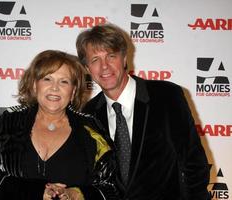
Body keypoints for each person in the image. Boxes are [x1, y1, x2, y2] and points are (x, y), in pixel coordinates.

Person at [76, 23, 210, 199]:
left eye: (111, 56)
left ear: (124, 58)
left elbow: (194, 164)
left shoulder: (166, 96)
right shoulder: (89, 113)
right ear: (87, 69)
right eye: (95, 60)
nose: (104, 66)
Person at [0, 50, 119, 200]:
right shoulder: (8, 123)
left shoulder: (92, 130)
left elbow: (111, 187)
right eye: (47, 79)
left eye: (64, 81)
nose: (55, 87)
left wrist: (76, 194)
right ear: (35, 85)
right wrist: (35, 192)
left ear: (73, 91)